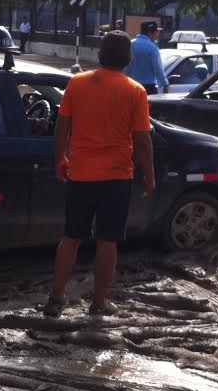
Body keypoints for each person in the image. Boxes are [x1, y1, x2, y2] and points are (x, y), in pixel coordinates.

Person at [47, 31, 155, 318]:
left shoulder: (77, 83)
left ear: (100, 55)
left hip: (81, 174)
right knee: (108, 241)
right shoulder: (135, 91)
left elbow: (62, 128)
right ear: (128, 59)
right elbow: (143, 140)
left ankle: (56, 299)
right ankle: (98, 303)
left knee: (71, 238)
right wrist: (150, 175)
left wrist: (61, 158)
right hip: (117, 177)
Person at [123, 20, 168, 95]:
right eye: (156, 31)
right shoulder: (152, 47)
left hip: (129, 85)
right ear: (150, 33)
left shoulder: (130, 44)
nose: (158, 34)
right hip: (147, 88)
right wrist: (164, 84)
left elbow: (124, 66)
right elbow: (158, 68)